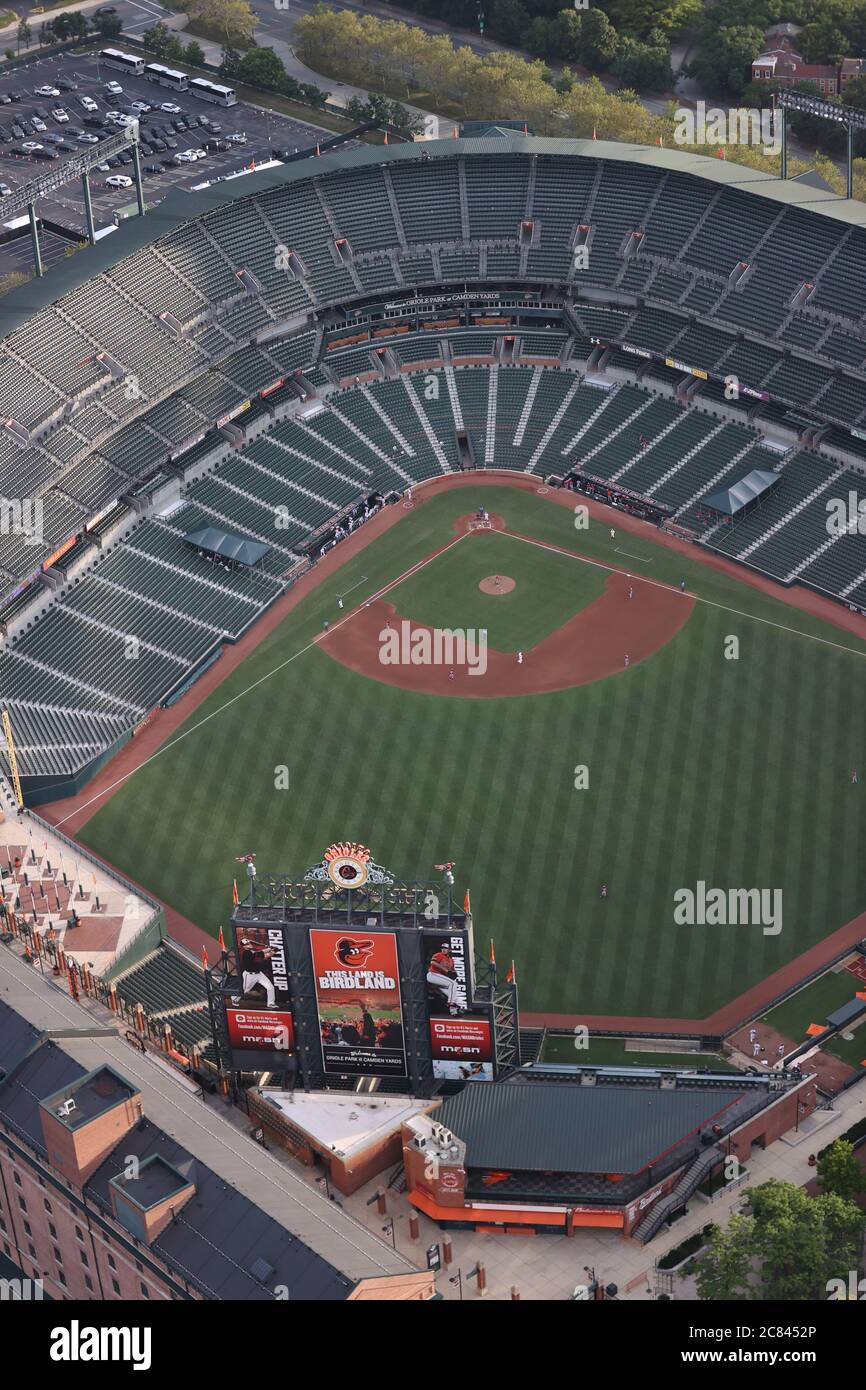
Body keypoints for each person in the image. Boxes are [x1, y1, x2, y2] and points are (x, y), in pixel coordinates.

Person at [427, 941, 462, 1015]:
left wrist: (455, 973)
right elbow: (433, 962)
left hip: (440, 980)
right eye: (442, 948)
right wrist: (446, 970)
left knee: (454, 995)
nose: (443, 949)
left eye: (445, 948)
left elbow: (452, 970)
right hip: (432, 975)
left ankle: (453, 1012)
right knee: (453, 984)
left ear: (449, 950)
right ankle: (451, 1003)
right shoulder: (438, 955)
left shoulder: (451, 960)